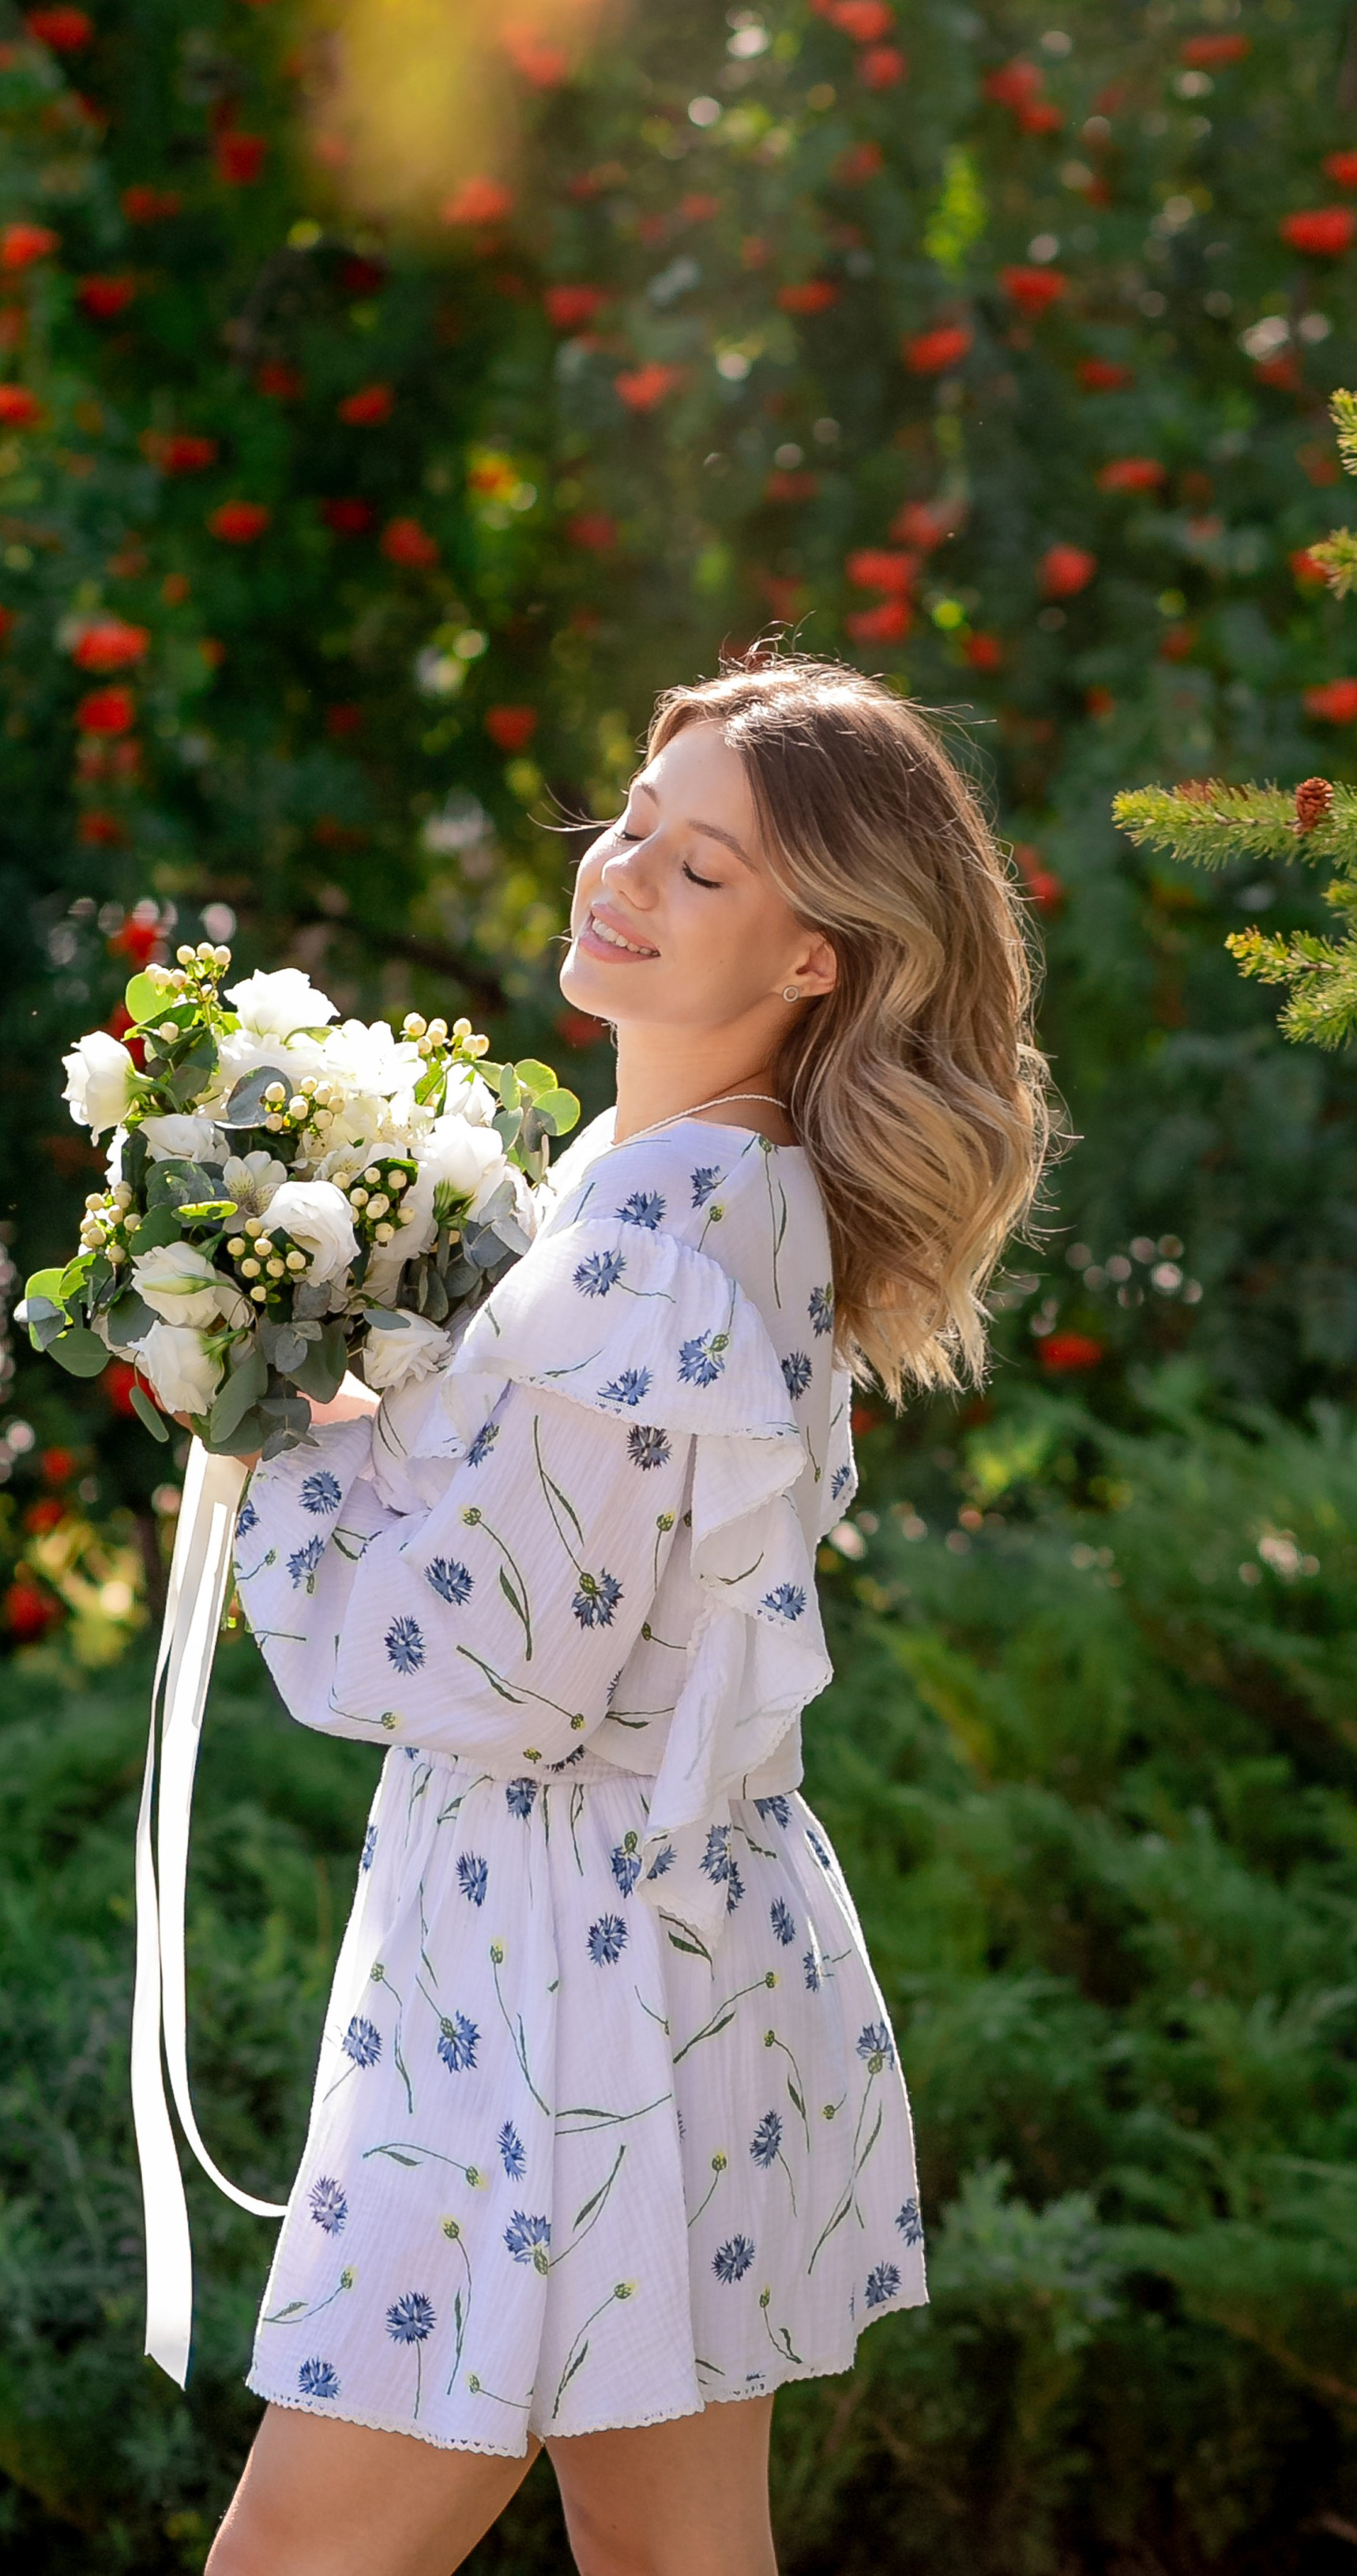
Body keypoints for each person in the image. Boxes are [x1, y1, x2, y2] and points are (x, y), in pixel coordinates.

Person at [204, 649, 1054, 2576]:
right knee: (670, 2559)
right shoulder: (677, 1187)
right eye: (634, 827)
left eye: (702, 869)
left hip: (559, 1994)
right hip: (666, 1944)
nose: (625, 875)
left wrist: (267, 1440)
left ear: (818, 952)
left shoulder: (654, 1240)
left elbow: (480, 1671)